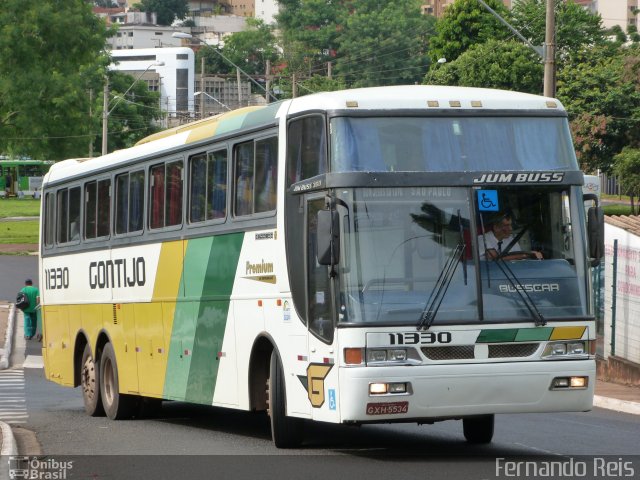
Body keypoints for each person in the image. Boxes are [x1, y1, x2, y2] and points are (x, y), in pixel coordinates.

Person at [478, 212, 542, 260]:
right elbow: (495, 258)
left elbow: (519, 259)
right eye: (506, 226)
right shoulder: (482, 239)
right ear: (496, 228)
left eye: (510, 225)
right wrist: (525, 255)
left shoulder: (511, 240)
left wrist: (529, 255)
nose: (511, 229)